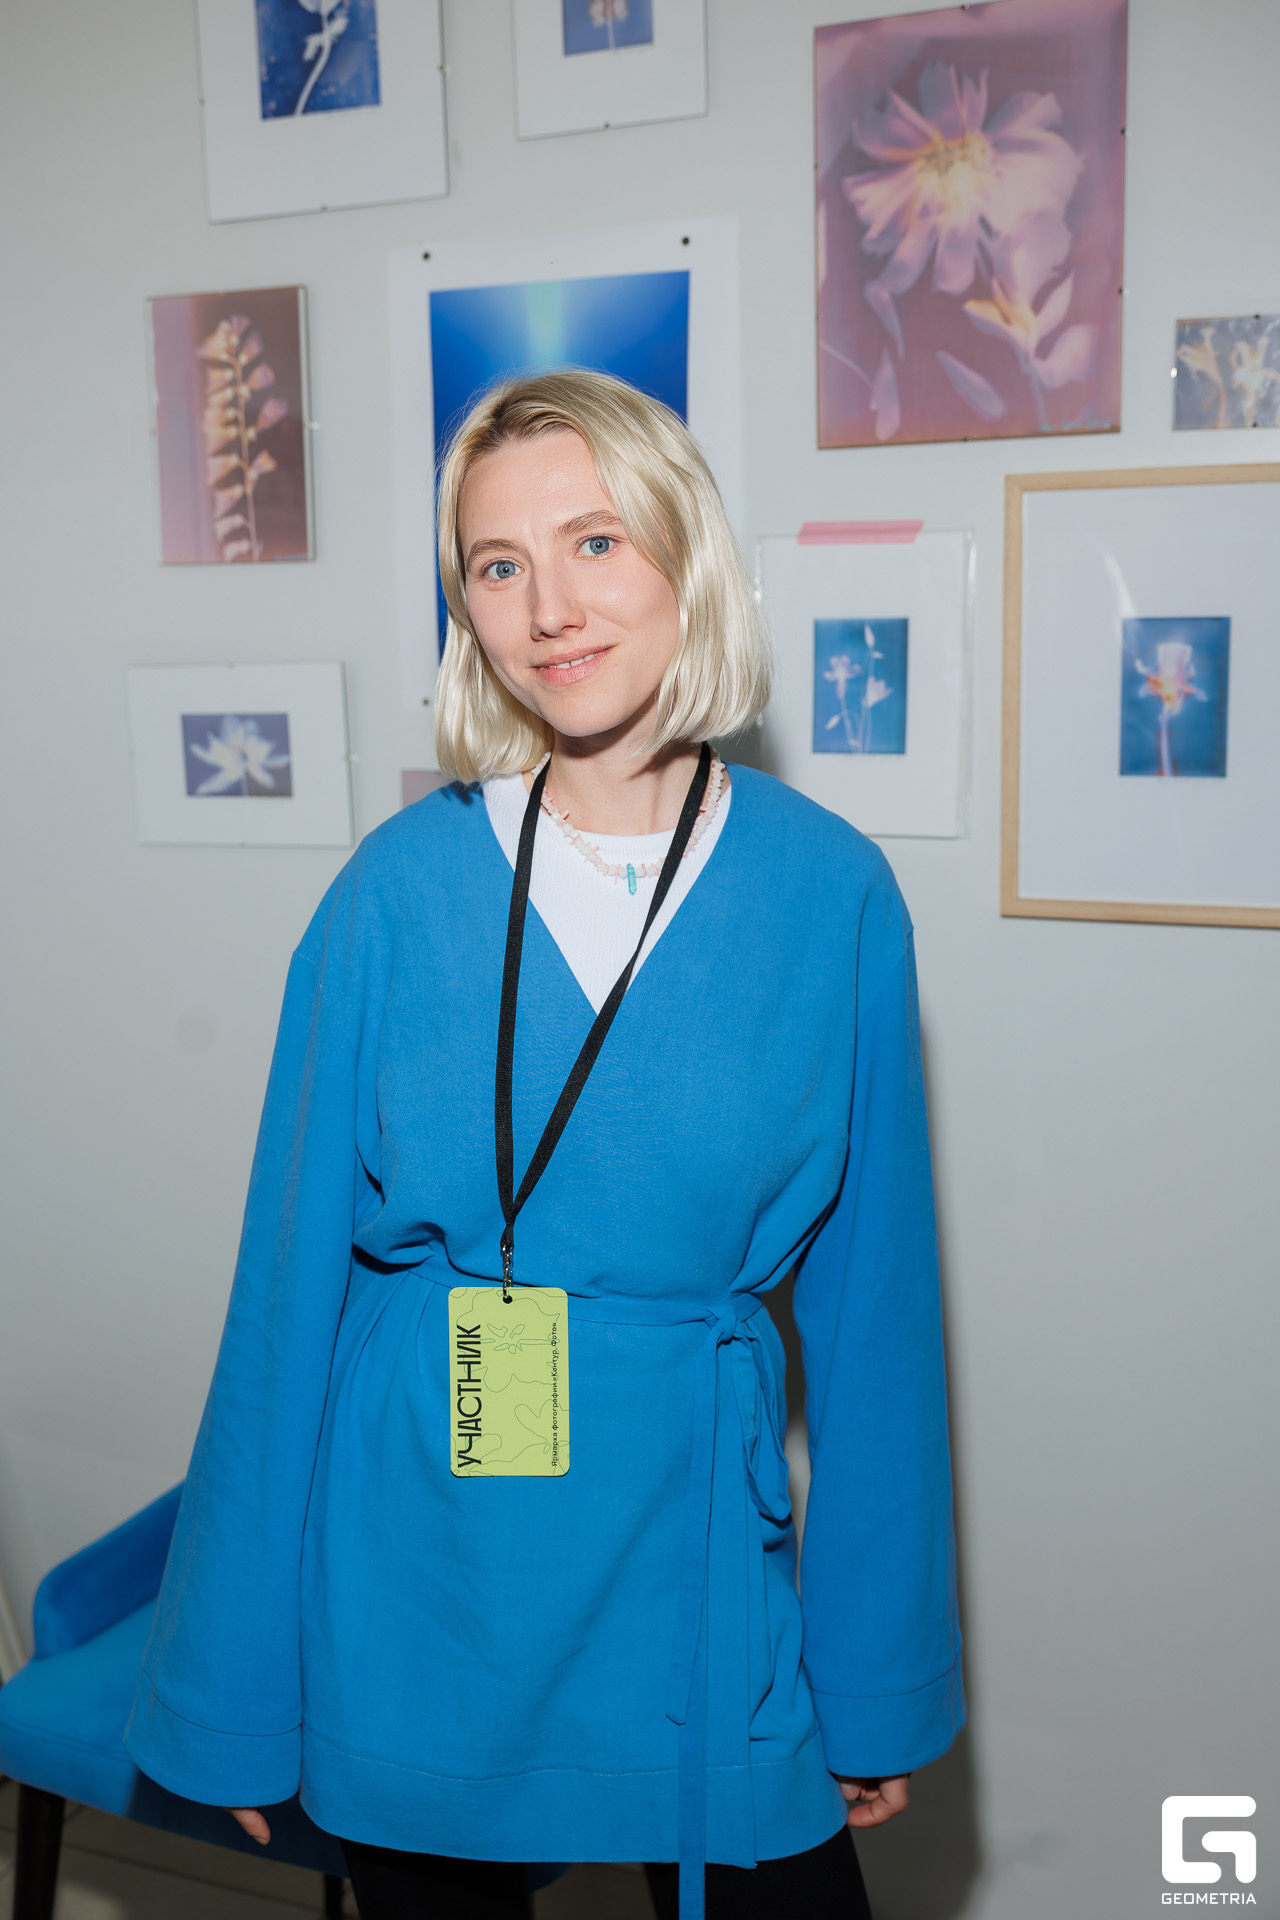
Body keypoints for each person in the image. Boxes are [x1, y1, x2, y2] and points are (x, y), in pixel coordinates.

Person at [125, 369, 964, 1919]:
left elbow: (881, 1326)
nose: (549, 608)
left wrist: (874, 1677)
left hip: (697, 1565)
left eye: (594, 542)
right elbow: (282, 1310)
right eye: (498, 565)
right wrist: (230, 1688)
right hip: (423, 1576)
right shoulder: (390, 895)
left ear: (685, 554)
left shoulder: (830, 895)